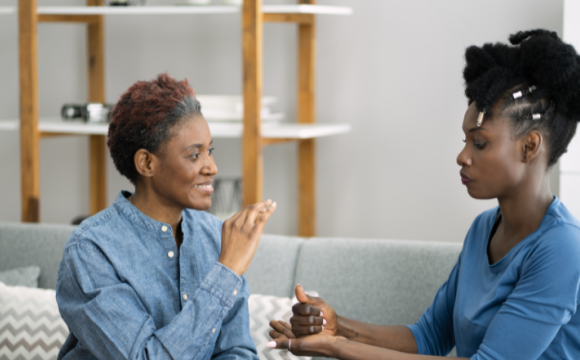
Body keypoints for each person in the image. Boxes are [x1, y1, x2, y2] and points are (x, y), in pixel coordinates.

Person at [267, 30, 580, 360]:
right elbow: (429, 337)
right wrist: (338, 327)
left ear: (529, 146)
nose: (463, 157)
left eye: (480, 142)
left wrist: (337, 347)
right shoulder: (483, 230)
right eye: (465, 141)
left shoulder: (563, 248)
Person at [56, 73, 277, 360]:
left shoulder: (215, 236)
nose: (212, 167)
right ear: (147, 163)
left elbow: (236, 351)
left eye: (209, 151)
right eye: (194, 155)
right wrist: (227, 272)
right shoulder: (91, 251)